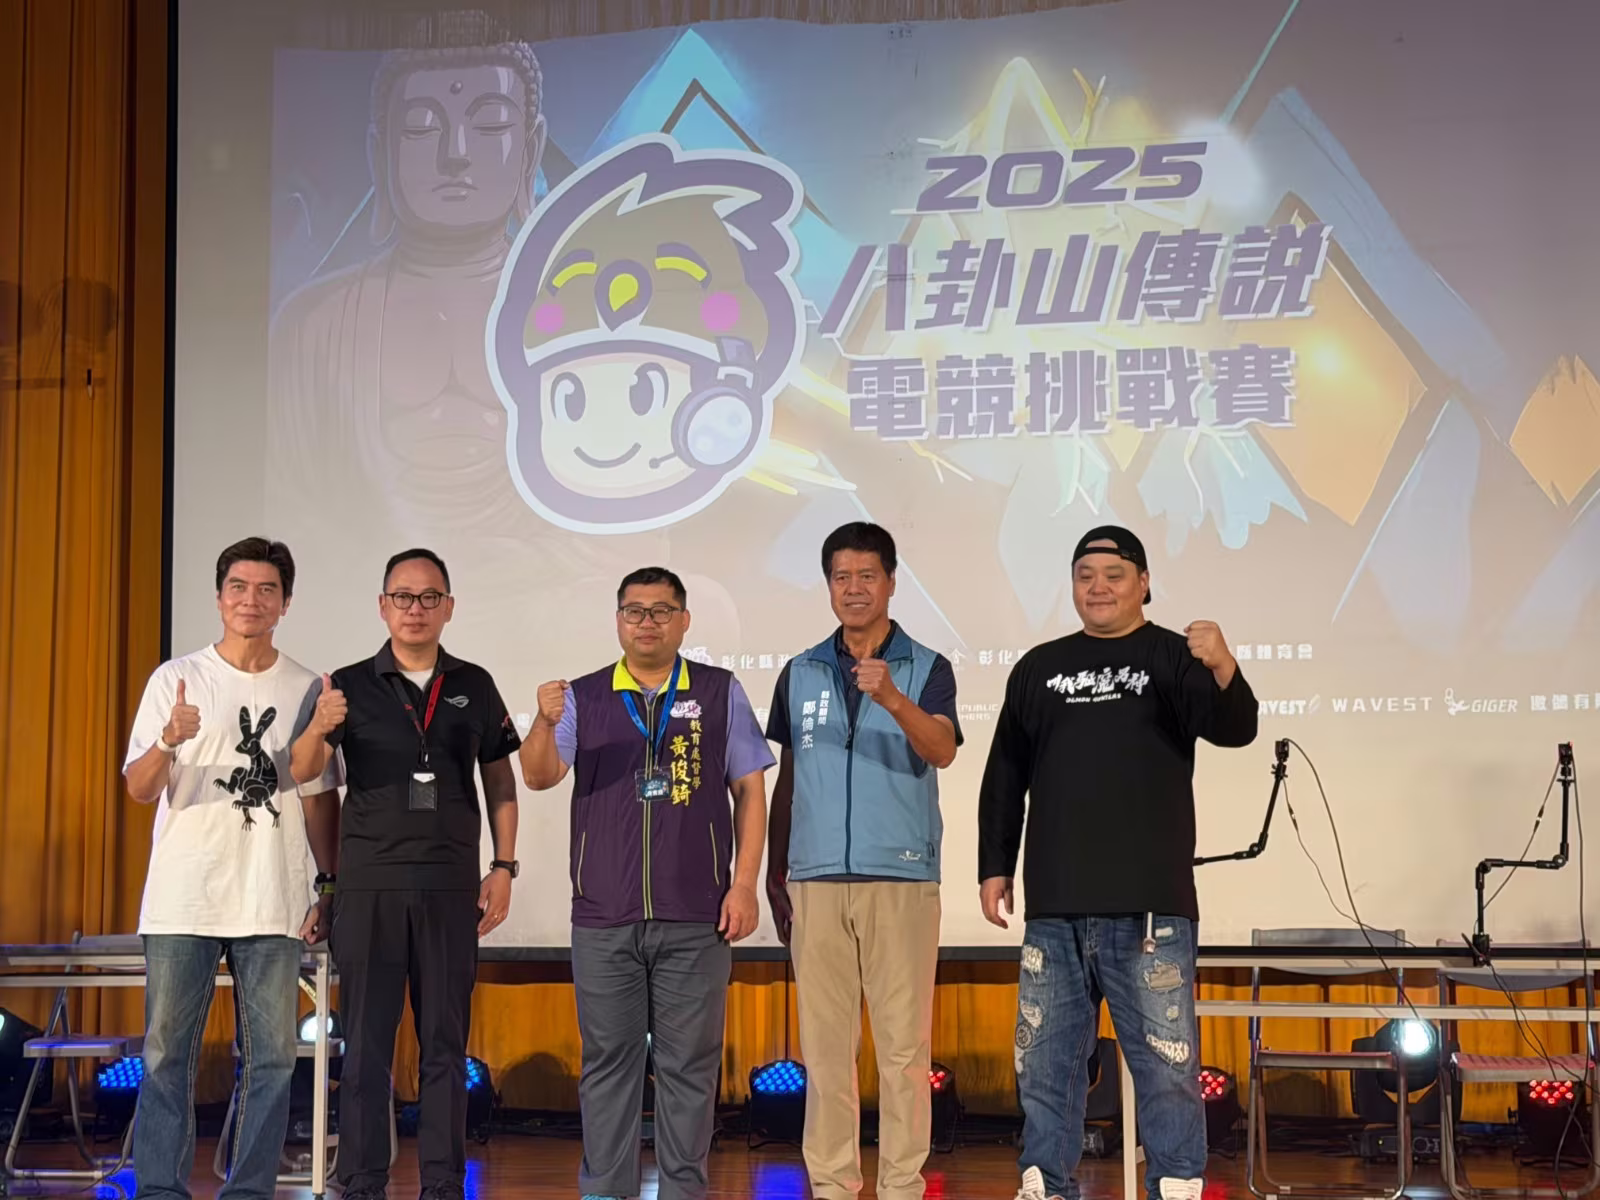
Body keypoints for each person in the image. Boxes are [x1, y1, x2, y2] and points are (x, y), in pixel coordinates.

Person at [976, 525, 1259, 1200]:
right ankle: (1045, 1184)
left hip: (1149, 906)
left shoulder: (1173, 656)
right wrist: (995, 865)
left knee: (1166, 1065)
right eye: (1085, 576)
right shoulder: (1039, 667)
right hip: (1055, 905)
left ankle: (1176, 1183)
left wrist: (1223, 665)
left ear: (1144, 583)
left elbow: (1235, 728)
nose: (1098, 587)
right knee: (1045, 1064)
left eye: (1113, 574)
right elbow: (1005, 772)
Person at [518, 566, 773, 1200]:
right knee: (609, 1064)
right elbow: (540, 776)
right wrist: (544, 723)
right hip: (604, 915)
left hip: (697, 915)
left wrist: (744, 884)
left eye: (662, 611)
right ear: (618, 621)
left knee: (691, 1068)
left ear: (684, 622)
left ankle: (684, 1191)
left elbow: (750, 791)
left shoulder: (719, 691)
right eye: (635, 611)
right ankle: (607, 1190)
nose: (647, 622)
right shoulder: (583, 695)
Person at [289, 548, 521, 1200]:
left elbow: (500, 782)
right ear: (382, 606)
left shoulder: (475, 683)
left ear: (448, 607)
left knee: (445, 1048)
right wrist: (320, 726)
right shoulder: (345, 686)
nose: (415, 609)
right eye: (402, 597)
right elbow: (303, 771)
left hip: (450, 887)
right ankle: (361, 1184)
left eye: (428, 597)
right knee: (365, 1049)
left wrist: (504, 866)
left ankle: (443, 1185)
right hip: (370, 889)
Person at [123, 537, 341, 1200]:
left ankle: (247, 1191)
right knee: (166, 1056)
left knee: (273, 1061)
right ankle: (160, 1190)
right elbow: (138, 788)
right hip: (184, 896)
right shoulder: (176, 678)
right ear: (219, 598)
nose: (252, 600)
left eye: (267, 589)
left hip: (272, 897)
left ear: (286, 602)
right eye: (239, 587)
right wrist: (169, 739)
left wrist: (328, 884)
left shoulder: (307, 688)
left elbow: (318, 797)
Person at [764, 522, 962, 1200]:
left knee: (904, 1051)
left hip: (900, 877)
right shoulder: (800, 671)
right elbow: (789, 778)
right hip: (815, 880)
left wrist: (892, 698)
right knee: (825, 1053)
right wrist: (776, 872)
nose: (854, 588)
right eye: (841, 576)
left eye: (867, 575)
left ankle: (902, 1185)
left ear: (891, 582)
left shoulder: (926, 667)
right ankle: (832, 1185)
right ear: (829, 586)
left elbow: (942, 750)